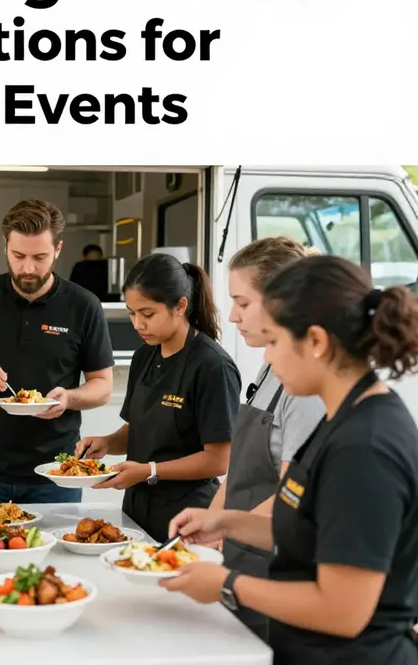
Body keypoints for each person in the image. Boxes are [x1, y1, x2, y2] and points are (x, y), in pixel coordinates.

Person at [163, 255, 418, 665]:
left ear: (316, 341)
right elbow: (312, 532)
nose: (268, 358)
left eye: (275, 342)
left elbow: (343, 610)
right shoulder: (342, 415)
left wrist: (227, 584)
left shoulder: (364, 448)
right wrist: (226, 522)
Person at [0, 199, 115, 504]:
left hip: (57, 472)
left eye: (40, 257)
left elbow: (103, 387)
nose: (28, 268)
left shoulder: (83, 305)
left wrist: (69, 398)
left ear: (58, 249)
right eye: (18, 256)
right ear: (5, 246)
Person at [77, 252, 241, 543]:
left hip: (187, 518)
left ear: (180, 306)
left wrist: (149, 471)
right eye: (131, 313)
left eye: (148, 314)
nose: (138, 324)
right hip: (137, 511)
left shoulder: (212, 366)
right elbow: (138, 429)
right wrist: (106, 443)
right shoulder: (145, 356)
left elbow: (219, 460)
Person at [210, 237, 326, 640]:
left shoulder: (306, 388)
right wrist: (211, 527)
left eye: (242, 303)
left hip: (275, 572)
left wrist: (225, 527)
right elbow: (239, 468)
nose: (231, 316)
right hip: (240, 557)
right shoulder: (268, 370)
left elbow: (294, 498)